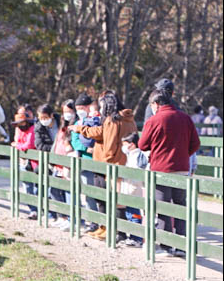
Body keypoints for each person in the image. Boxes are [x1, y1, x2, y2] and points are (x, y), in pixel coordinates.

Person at [138, 89, 200, 257]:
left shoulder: (154, 120)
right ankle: (181, 246)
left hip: (161, 170)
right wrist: (182, 155)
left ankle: (166, 246)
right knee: (180, 206)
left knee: (163, 207)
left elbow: (142, 145)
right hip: (181, 169)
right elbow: (196, 143)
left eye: (151, 105)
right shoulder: (185, 118)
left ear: (156, 104)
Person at [73, 91, 137, 242]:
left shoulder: (111, 120)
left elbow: (109, 145)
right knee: (122, 200)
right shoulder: (129, 118)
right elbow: (102, 132)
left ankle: (118, 233)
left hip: (111, 165)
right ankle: (124, 233)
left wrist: (106, 162)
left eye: (102, 106)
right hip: (127, 162)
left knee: (114, 201)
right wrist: (82, 129)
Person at [71, 93, 102, 233]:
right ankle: (93, 221)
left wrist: (94, 148)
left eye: (82, 107)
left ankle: (102, 222)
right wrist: (86, 148)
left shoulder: (98, 119)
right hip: (85, 161)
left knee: (100, 193)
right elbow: (75, 141)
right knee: (88, 193)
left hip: (98, 160)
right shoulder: (78, 123)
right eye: (77, 108)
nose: (80, 110)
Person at [48, 100, 76, 231]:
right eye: (65, 112)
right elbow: (57, 142)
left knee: (68, 192)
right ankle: (63, 217)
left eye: (69, 111)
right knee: (53, 190)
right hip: (58, 164)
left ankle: (72, 219)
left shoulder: (74, 126)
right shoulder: (62, 126)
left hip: (67, 164)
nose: (67, 114)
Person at [118, 132, 149, 248]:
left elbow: (137, 172)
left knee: (134, 213)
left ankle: (137, 238)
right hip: (129, 186)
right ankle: (133, 236)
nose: (123, 147)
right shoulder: (131, 155)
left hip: (134, 187)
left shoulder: (137, 156)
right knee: (130, 213)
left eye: (125, 144)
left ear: (132, 144)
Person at [33, 104, 61, 222]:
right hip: (48, 160)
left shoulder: (61, 122)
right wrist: (56, 148)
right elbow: (39, 145)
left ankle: (63, 216)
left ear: (51, 116)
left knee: (60, 189)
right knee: (43, 187)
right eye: (40, 118)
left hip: (62, 159)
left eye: (45, 117)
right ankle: (49, 213)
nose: (43, 120)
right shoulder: (38, 127)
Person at [11, 110, 38, 219]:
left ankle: (39, 209)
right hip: (23, 161)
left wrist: (17, 145)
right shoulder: (19, 130)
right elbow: (17, 141)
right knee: (27, 187)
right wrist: (19, 144)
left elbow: (29, 145)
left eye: (22, 123)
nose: (20, 125)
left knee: (37, 187)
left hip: (34, 162)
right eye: (18, 123)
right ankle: (33, 210)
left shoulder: (32, 129)